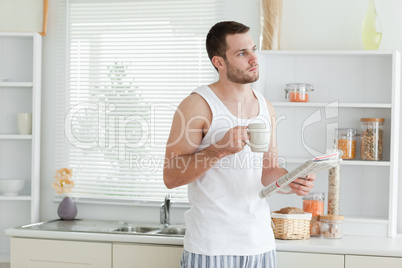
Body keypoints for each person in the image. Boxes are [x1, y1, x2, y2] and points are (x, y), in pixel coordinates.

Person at [163, 21, 316, 268]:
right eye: (242, 53)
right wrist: (218, 149)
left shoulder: (266, 106)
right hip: (210, 247)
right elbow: (171, 176)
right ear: (219, 63)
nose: (254, 59)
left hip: (260, 245)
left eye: (253, 49)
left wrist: (291, 180)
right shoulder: (197, 105)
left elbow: (268, 171)